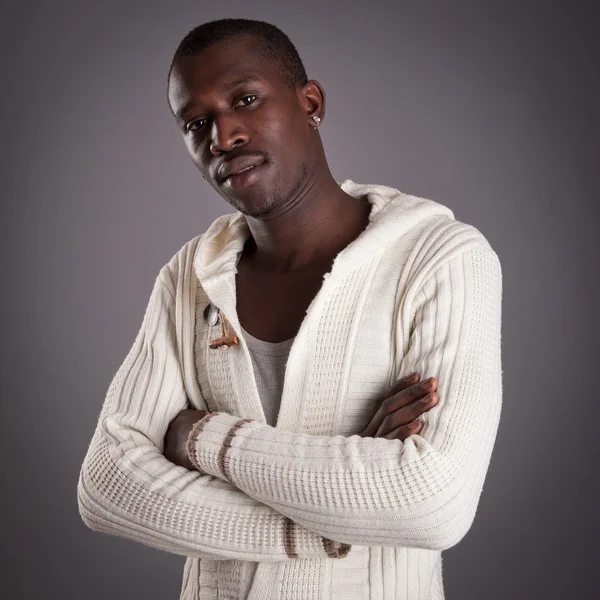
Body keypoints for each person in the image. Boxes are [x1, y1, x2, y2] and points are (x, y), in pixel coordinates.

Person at [77, 18, 503, 600]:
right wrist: (323, 523)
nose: (223, 137)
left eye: (245, 100)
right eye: (196, 123)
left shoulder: (436, 258)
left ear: (310, 103)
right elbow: (106, 485)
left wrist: (203, 440)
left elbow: (432, 504)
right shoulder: (190, 277)